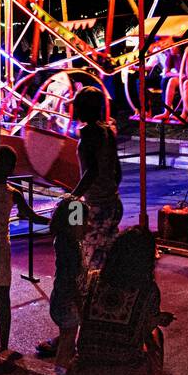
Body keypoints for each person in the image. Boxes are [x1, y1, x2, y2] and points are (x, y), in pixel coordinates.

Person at [69, 225, 174, 375]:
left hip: (83, 374)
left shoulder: (92, 279)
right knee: (156, 334)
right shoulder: (148, 290)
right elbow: (146, 328)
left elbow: (82, 312)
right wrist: (157, 319)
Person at [0, 146, 47, 355]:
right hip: (2, 247)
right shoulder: (14, 192)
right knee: (3, 297)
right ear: (12, 168)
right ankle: (3, 344)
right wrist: (54, 222)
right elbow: (30, 216)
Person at [70, 86, 122, 279]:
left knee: (92, 259)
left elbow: (91, 171)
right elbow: (118, 171)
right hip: (113, 202)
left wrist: (73, 196)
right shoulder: (108, 133)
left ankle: (91, 300)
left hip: (96, 205)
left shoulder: (88, 137)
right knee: (108, 253)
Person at [43, 195, 87, 371]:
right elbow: (72, 281)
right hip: (68, 303)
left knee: (67, 338)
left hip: (60, 299)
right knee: (67, 345)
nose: (86, 225)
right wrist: (81, 306)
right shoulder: (71, 246)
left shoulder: (64, 240)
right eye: (83, 220)